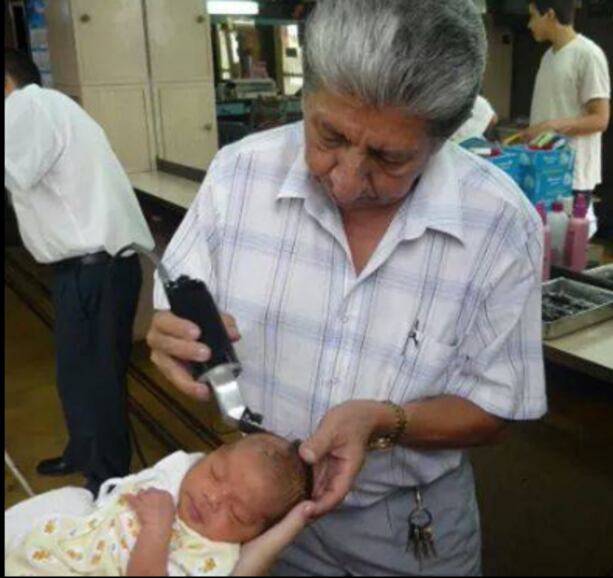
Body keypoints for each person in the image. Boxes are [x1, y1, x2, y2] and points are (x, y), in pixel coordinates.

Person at [146, 0, 547, 574]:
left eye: (389, 157)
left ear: (443, 138)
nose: (346, 178)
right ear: (305, 97)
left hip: (407, 527)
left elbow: (496, 408)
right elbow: (177, 312)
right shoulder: (238, 177)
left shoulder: (499, 225)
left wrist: (386, 420)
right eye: (328, 135)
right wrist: (171, 339)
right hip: (251, 517)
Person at [4, 50, 155, 494]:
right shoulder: (43, 109)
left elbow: (16, 170)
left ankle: (107, 479)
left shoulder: (28, 105)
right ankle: (83, 451)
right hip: (82, 269)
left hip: (97, 267)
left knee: (97, 377)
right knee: (75, 372)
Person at [5, 433, 315, 576]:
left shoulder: (206, 558)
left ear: (254, 536)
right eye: (216, 474)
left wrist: (156, 529)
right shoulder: (172, 483)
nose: (213, 499)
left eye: (237, 513)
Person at [524, 0, 611, 236]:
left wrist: (553, 125)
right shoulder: (548, 56)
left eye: (533, 16)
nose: (529, 24)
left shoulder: (588, 54)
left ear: (550, 15)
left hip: (572, 175)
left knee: (569, 248)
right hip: (544, 169)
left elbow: (600, 119)